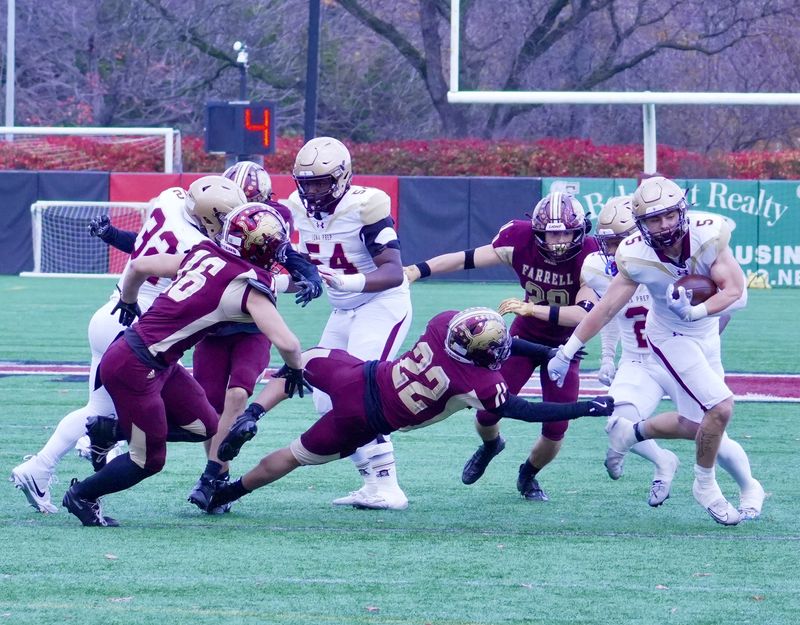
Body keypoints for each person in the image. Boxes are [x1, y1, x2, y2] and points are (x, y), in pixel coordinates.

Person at [207, 308, 614, 512]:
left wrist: (544, 351)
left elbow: (495, 342)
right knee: (294, 455)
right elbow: (524, 410)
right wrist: (582, 408)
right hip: (364, 419)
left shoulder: (443, 323)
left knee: (299, 365)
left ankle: (254, 412)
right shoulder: (480, 383)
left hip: (360, 374)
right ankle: (228, 493)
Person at [9, 175, 247, 514]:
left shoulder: (170, 198)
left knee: (103, 412)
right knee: (104, 415)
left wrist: (114, 237)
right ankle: (46, 465)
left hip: (113, 314)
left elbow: (147, 247)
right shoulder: (199, 248)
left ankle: (61, 458)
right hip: (140, 331)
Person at [62, 203, 309, 527]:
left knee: (205, 425)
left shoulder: (204, 252)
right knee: (148, 460)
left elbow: (139, 264)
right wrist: (295, 369)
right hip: (137, 367)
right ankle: (81, 495)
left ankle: (109, 430)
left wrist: (128, 299)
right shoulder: (245, 284)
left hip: (151, 359)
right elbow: (289, 344)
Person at [547, 176, 764, 525]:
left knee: (704, 424)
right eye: (653, 219)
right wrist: (568, 351)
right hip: (664, 339)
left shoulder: (709, 234)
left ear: (682, 212)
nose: (664, 225)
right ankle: (704, 485)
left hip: (704, 335)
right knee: (720, 407)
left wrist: (697, 312)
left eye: (669, 216)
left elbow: (735, 292)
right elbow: (605, 309)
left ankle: (743, 482)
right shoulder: (632, 255)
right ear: (641, 224)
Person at [405, 192, 599, 502]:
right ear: (537, 231)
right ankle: (491, 445)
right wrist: (419, 269)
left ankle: (528, 474)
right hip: (523, 338)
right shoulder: (518, 239)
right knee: (487, 410)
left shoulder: (591, 256)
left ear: (580, 231)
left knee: (556, 428)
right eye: (552, 234)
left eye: (565, 233)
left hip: (566, 346)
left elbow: (583, 314)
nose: (559, 241)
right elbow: (466, 258)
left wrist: (532, 308)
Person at [281, 137, 413, 510]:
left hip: (380, 304)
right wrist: (279, 282)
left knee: (357, 394)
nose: (312, 192)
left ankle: (389, 486)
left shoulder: (366, 205)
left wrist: (349, 282)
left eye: (321, 183)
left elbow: (393, 272)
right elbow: (307, 270)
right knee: (325, 400)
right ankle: (372, 484)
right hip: (342, 310)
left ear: (341, 178)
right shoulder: (295, 208)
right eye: (306, 184)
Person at [186, 161, 322, 514]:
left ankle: (209, 477)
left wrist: (309, 275)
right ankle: (219, 478)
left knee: (237, 393)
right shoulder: (204, 221)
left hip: (251, 320)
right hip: (214, 322)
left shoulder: (271, 220)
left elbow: (288, 254)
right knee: (208, 410)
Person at [582, 195, 680, 506]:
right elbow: (610, 313)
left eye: (618, 241)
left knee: (710, 425)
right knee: (616, 420)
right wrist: (607, 357)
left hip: (680, 358)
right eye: (607, 242)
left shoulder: (669, 260)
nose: (612, 251)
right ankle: (663, 462)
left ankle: (745, 490)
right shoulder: (598, 268)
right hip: (638, 361)